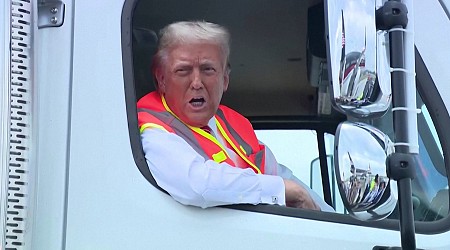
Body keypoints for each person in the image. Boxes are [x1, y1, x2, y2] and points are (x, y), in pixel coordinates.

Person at [137, 21, 333, 211]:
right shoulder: (152, 129)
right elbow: (197, 184)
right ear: (161, 80)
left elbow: (282, 176)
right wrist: (281, 190)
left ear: (225, 79)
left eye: (208, 69)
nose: (196, 82)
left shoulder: (233, 125)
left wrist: (332, 222)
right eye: (183, 70)